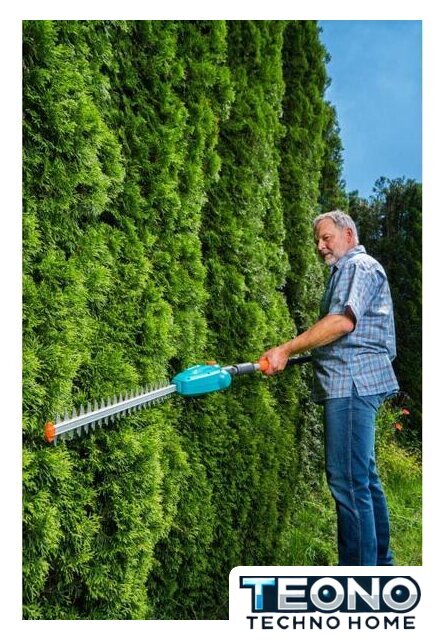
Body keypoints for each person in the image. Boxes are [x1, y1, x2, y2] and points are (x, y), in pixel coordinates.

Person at [260, 210, 399, 566]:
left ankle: (358, 579)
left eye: (327, 237)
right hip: (354, 381)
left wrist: (285, 349)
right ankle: (380, 566)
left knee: (347, 481)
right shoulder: (351, 270)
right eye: (317, 241)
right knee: (363, 478)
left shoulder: (357, 266)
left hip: (351, 384)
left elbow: (341, 323)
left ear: (348, 235)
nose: (320, 246)